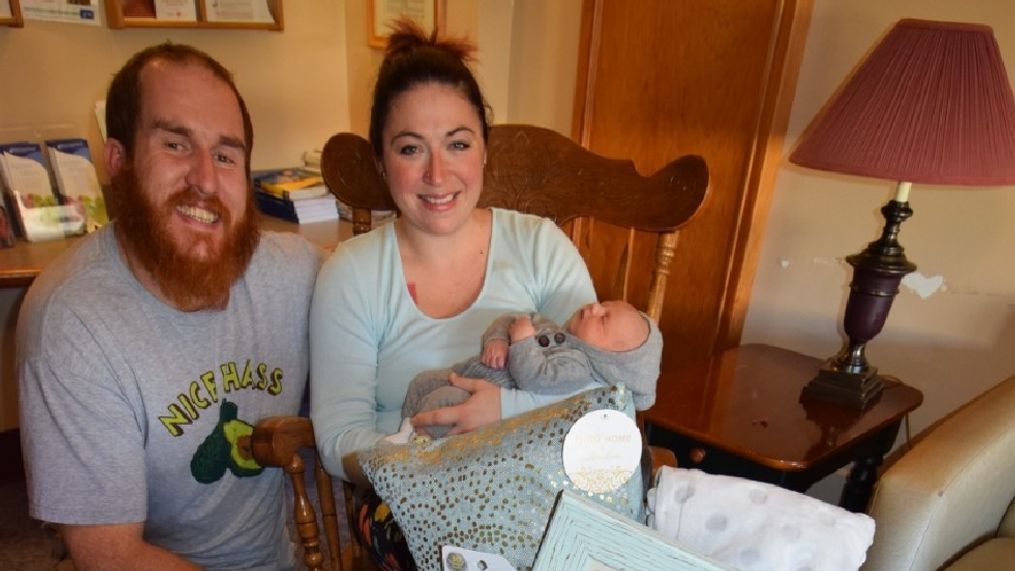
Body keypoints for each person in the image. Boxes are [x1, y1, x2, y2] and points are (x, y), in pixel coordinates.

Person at [17, 43, 322, 570]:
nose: (205, 179)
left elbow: (402, 290)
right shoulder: (72, 321)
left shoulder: (296, 271)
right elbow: (111, 556)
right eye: (176, 145)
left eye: (226, 155)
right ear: (119, 161)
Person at [309, 20, 596, 570]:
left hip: (543, 483)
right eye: (411, 148)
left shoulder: (540, 247)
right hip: (413, 500)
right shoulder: (352, 274)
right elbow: (340, 440)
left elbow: (598, 387)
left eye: (457, 144)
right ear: (381, 162)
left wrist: (505, 412)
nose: (437, 174)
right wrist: (444, 459)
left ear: (484, 150)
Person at [393, 300, 662, 441]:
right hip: (467, 372)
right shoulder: (553, 328)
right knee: (422, 382)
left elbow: (536, 379)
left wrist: (521, 341)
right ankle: (404, 430)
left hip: (480, 402)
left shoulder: (577, 368)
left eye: (603, 319)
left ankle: (415, 449)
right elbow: (512, 320)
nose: (594, 306)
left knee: (440, 403)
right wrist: (497, 339)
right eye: (604, 303)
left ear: (608, 358)